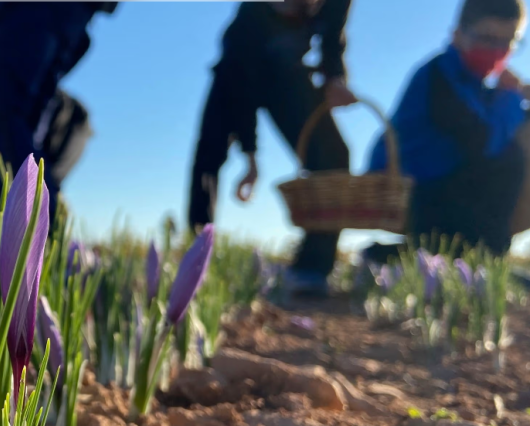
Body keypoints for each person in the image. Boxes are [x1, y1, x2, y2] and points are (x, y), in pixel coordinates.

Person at [186, 0, 357, 297]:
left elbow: (333, 37)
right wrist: (251, 158)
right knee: (208, 158)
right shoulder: (250, 18)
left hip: (288, 69)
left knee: (333, 155)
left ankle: (312, 269)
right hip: (236, 71)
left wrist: (335, 77)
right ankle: (195, 260)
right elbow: (242, 91)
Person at [366, 0, 528, 260]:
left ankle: (417, 256)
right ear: (458, 35)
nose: (497, 51)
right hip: (412, 193)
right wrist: (510, 97)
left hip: (447, 191)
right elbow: (482, 141)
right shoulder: (438, 77)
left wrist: (521, 97)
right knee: (514, 152)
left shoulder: (478, 86)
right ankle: (485, 258)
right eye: (487, 38)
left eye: (508, 43)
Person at [0, 2, 115, 223]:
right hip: (72, 21)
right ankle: (25, 232)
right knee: (22, 129)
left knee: (0, 125)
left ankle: (33, 233)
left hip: (24, 17)